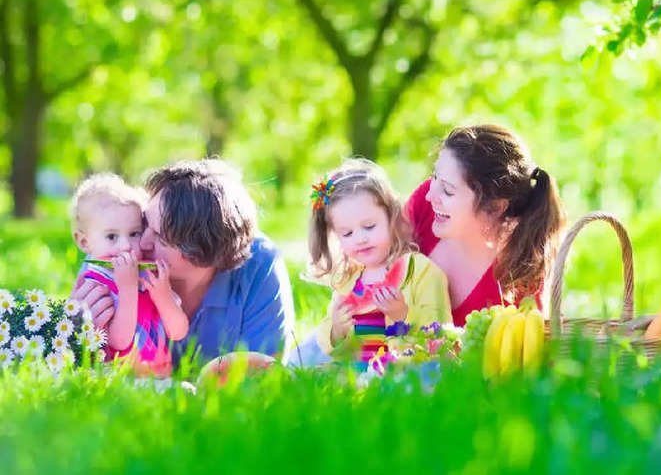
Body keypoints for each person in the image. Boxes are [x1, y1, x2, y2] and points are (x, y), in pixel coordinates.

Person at [71, 159, 295, 367]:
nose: (141, 243)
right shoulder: (116, 258)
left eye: (159, 236)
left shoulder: (259, 265)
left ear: (200, 251)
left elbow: (264, 374)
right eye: (144, 224)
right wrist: (77, 331)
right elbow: (87, 364)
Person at [405, 124, 566, 325]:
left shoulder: (521, 277)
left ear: (496, 207)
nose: (431, 195)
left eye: (448, 190)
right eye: (434, 176)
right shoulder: (425, 207)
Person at [309, 159, 452, 370]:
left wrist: (403, 315)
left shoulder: (421, 271)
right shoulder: (348, 280)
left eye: (369, 226)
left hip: (405, 374)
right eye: (347, 233)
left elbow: (441, 333)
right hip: (358, 376)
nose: (360, 239)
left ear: (392, 217)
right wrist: (336, 331)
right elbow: (335, 345)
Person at [71, 174, 188, 376]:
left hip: (160, 376)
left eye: (134, 234)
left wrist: (163, 297)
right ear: (84, 242)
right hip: (121, 379)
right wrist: (127, 288)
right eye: (111, 237)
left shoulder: (150, 275)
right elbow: (119, 342)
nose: (125, 246)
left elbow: (178, 332)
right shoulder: (95, 285)